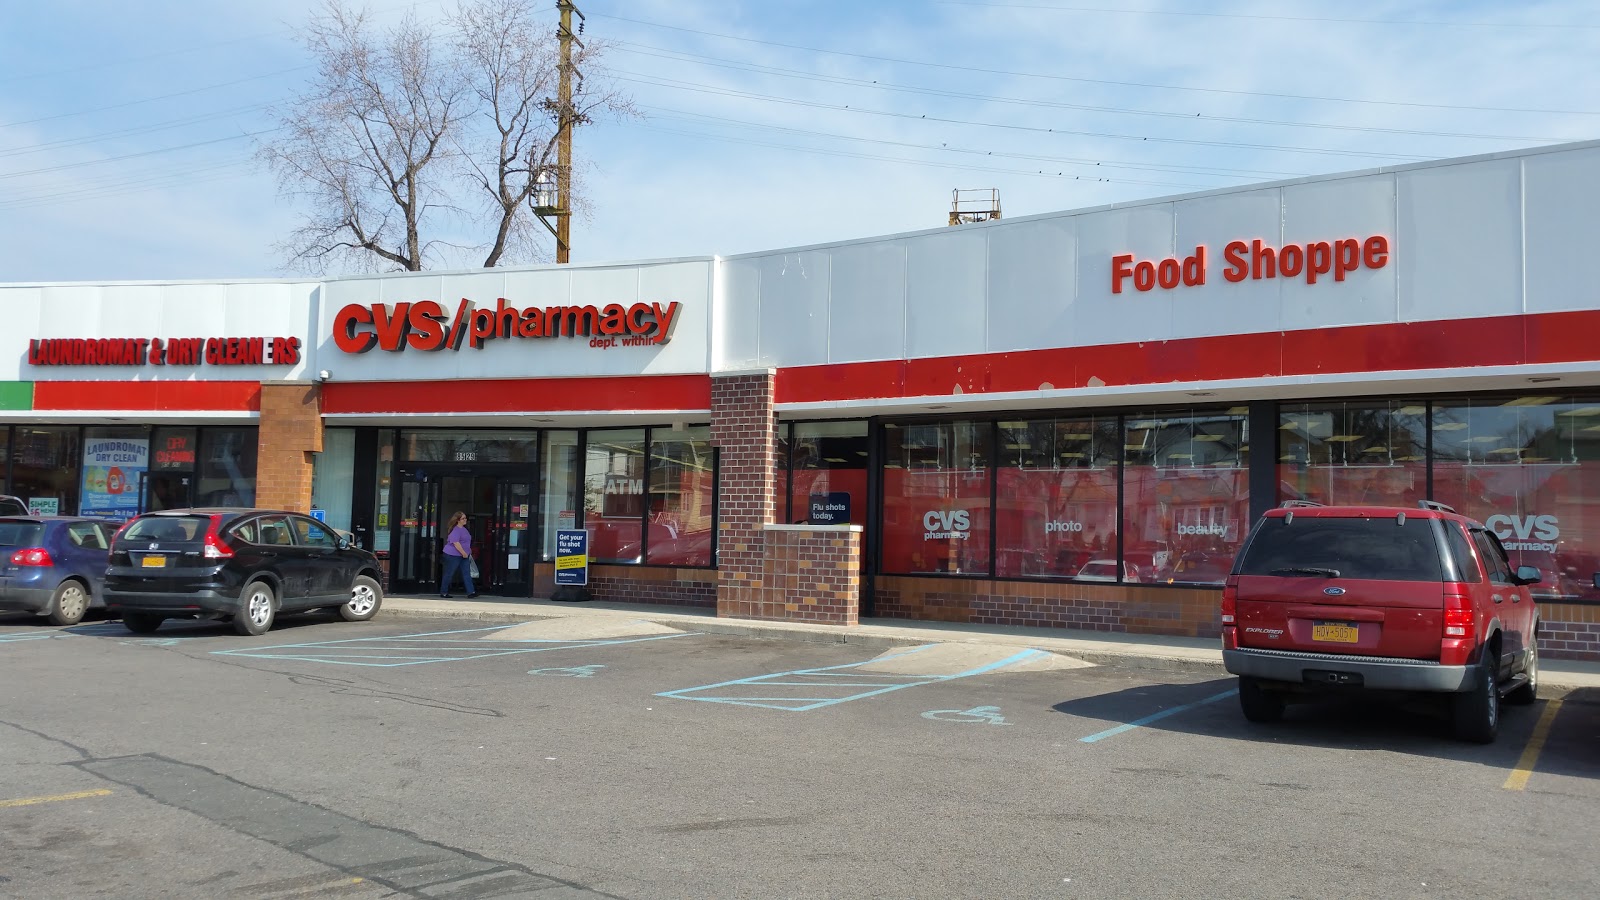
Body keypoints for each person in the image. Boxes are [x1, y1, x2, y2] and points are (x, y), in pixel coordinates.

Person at [440, 511, 478, 599]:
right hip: (452, 555)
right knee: (449, 573)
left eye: (465, 518)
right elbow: (456, 543)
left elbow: (465, 542)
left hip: (464, 554)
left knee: (466, 573)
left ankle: (471, 592)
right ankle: (444, 592)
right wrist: (464, 553)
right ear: (458, 520)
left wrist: (468, 550)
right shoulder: (456, 530)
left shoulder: (464, 529)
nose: (465, 520)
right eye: (463, 518)